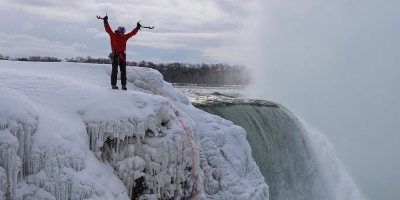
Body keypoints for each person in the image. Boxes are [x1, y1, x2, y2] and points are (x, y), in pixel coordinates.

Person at [101, 15, 141, 90]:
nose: (122, 33)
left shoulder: (125, 37)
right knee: (115, 70)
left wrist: (137, 28)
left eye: (123, 32)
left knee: (123, 70)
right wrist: (105, 21)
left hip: (122, 55)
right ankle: (113, 85)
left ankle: (124, 85)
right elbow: (108, 29)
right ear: (118, 31)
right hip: (115, 55)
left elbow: (132, 33)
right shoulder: (113, 35)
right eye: (121, 32)